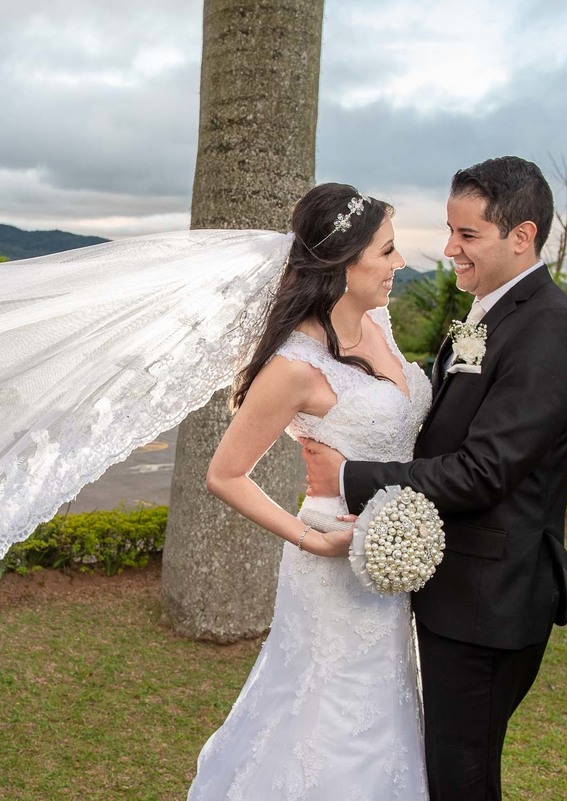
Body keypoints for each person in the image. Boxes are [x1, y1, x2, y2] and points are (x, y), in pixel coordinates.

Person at [301, 156, 567, 801]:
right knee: (448, 766)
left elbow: (486, 470)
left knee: (460, 776)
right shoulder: (492, 316)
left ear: (522, 236)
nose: (449, 249)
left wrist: (351, 475)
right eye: (449, 230)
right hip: (463, 589)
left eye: (467, 236)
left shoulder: (549, 330)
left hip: (494, 598)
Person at [189, 182, 432, 799]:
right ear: (345, 263)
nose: (399, 263)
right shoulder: (297, 364)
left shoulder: (378, 319)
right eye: (387, 251)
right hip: (332, 557)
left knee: (390, 703)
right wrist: (311, 540)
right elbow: (224, 474)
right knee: (334, 715)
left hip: (392, 555)